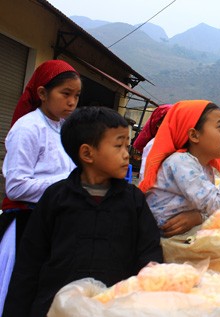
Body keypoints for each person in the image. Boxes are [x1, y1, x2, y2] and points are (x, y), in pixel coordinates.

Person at [2, 106, 164, 317]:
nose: (127, 155)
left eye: (128, 145)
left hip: (115, 308)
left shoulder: (133, 200)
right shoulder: (56, 198)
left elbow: (149, 253)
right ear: (87, 153)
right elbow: (29, 263)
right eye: (118, 146)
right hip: (55, 308)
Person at [0, 60, 81, 312]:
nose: (72, 102)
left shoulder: (64, 129)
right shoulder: (27, 128)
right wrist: (68, 185)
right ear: (43, 94)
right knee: (18, 293)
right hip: (26, 223)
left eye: (76, 96)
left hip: (51, 222)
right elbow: (15, 186)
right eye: (65, 94)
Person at [139, 100, 220, 237]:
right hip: (160, 239)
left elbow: (219, 208)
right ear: (194, 135)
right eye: (219, 127)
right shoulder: (181, 163)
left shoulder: (205, 167)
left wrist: (198, 217)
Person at [134, 104, 173, 182]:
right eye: (170, 120)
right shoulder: (154, 145)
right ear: (158, 124)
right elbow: (145, 175)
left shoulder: (172, 144)